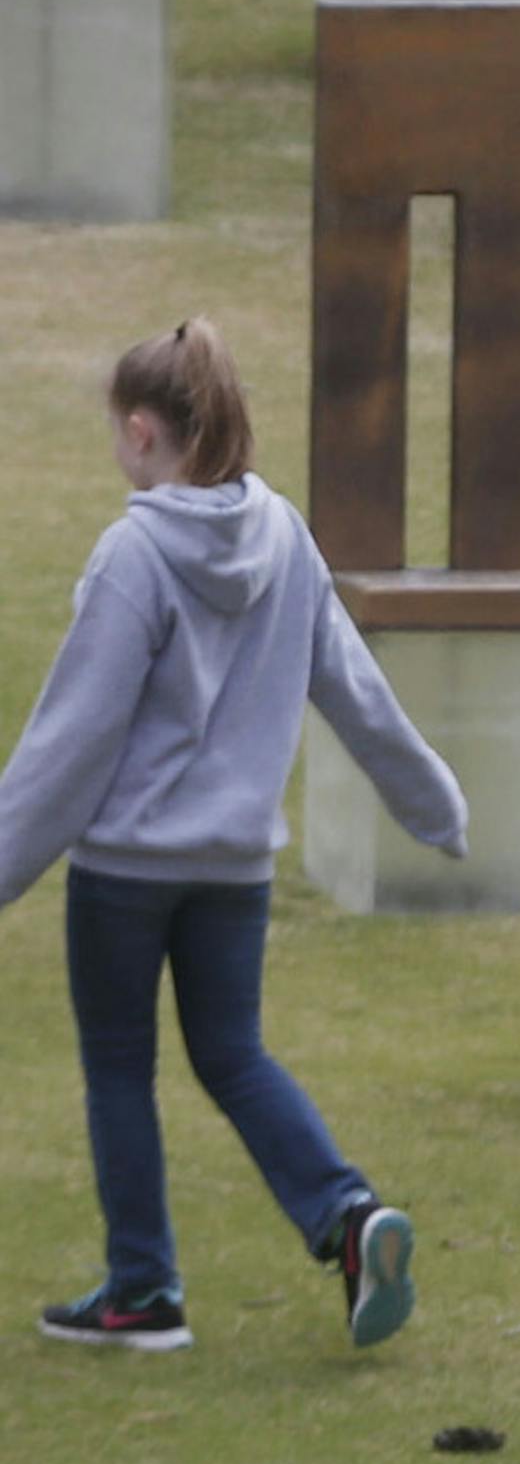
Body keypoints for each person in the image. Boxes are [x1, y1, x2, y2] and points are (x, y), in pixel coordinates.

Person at [0, 318, 468, 1354]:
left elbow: (72, 741)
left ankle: (142, 1290)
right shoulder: (287, 536)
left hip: (126, 869)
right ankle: (347, 1217)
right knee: (234, 1054)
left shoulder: (133, 554)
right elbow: (353, 688)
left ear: (140, 432)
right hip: (236, 866)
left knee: (120, 1067)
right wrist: (436, 805)